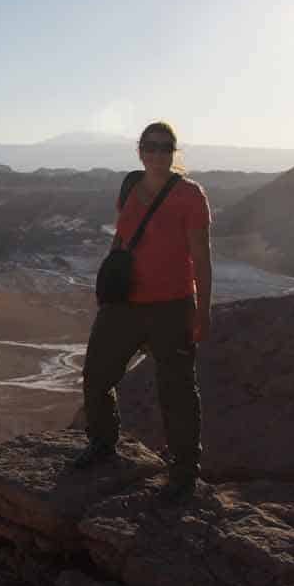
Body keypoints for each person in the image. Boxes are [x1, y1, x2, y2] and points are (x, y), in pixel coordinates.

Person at [77, 121, 212, 496]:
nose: (156, 154)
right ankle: (103, 443)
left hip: (171, 306)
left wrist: (203, 311)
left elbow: (201, 257)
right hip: (124, 304)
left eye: (164, 147)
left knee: (178, 391)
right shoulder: (130, 187)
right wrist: (108, 281)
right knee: (96, 377)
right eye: (150, 147)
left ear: (174, 152)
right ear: (140, 150)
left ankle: (185, 472)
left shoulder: (190, 195)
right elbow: (122, 237)